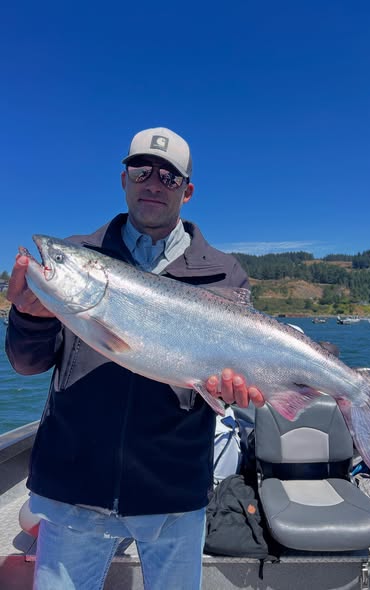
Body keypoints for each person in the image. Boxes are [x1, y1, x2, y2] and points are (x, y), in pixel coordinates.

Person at [5, 127, 265, 590]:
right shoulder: (81, 254)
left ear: (187, 191)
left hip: (174, 491)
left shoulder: (224, 274)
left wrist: (233, 391)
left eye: (169, 176)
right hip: (74, 483)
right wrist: (29, 317)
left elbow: (230, 388)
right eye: (142, 170)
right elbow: (27, 364)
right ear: (123, 179)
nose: (153, 183)